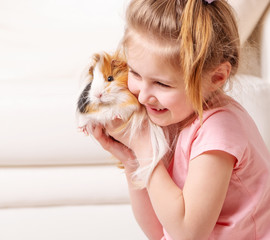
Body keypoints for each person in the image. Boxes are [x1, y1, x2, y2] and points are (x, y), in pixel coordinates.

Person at [89, 0, 270, 239]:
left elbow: (188, 234)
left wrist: (144, 147)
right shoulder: (176, 115)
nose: (142, 96)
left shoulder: (218, 131)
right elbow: (158, 232)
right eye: (135, 73)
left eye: (162, 84)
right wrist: (132, 159)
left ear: (216, 77)